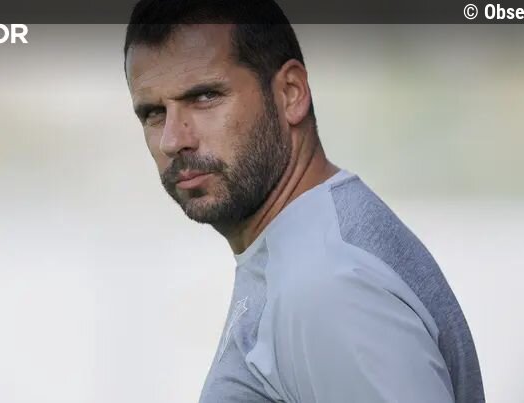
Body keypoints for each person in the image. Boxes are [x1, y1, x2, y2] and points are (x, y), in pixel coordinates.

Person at [122, 1, 484, 401]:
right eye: (153, 113)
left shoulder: (328, 285)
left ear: (290, 93)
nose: (173, 139)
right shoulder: (304, 255)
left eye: (205, 97)